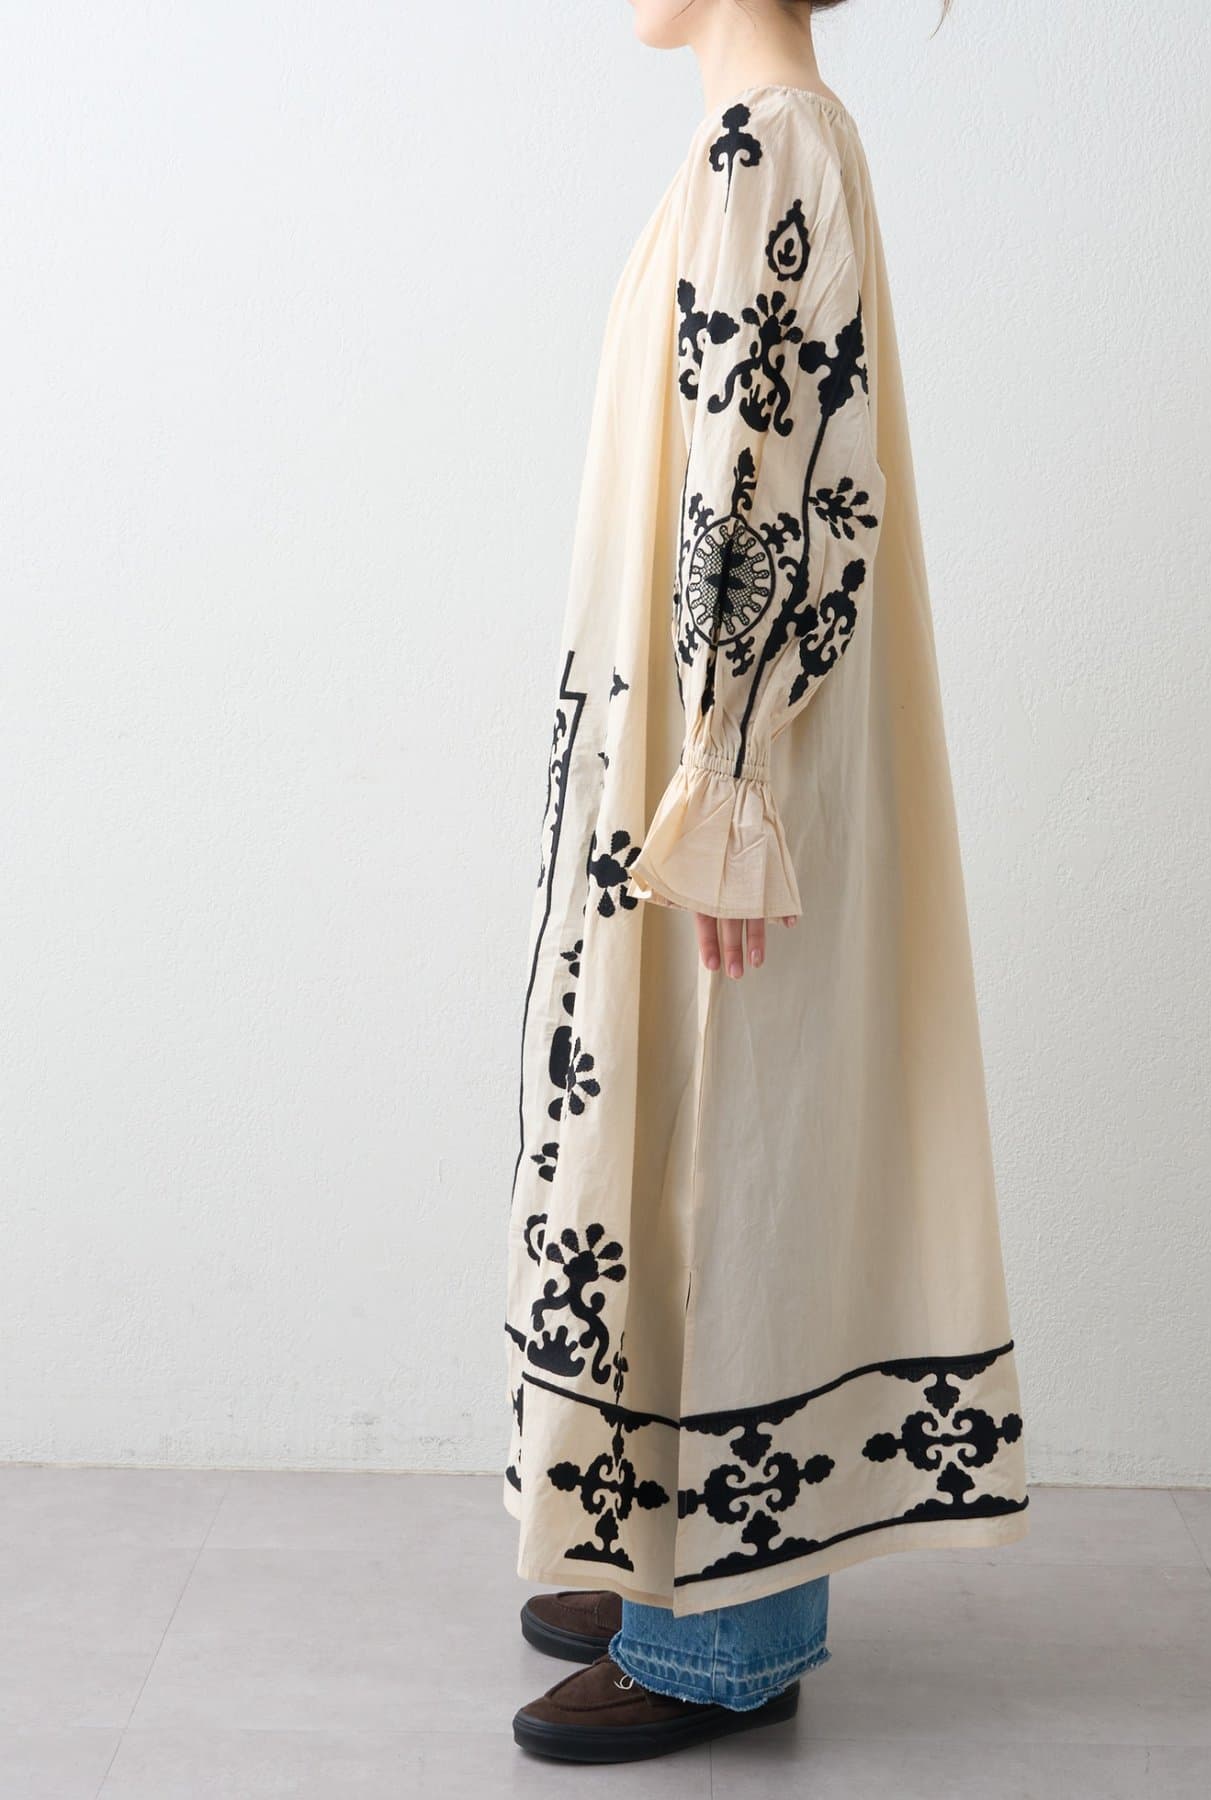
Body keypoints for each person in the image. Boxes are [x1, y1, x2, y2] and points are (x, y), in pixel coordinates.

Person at [505, 0, 1026, 1763]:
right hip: (704, 743)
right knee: (691, 1134)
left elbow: (768, 485)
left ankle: (724, 1631)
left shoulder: (771, 144)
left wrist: (725, 775)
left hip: (733, 764)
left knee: (733, 1143)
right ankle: (661, 1540)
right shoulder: (765, 142)